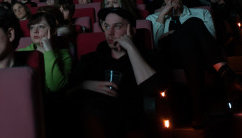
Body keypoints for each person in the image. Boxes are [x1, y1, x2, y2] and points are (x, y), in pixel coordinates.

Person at [146, 0, 242, 127]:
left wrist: (179, 34)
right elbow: (154, 46)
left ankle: (198, 114)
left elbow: (210, 42)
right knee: (192, 26)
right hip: (169, 58)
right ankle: (226, 74)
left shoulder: (202, 14)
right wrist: (163, 15)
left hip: (196, 56)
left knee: (191, 34)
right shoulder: (153, 17)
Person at [65, 7, 169, 138]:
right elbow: (67, 93)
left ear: (131, 30)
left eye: (117, 26)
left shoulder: (148, 56)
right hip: (94, 117)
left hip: (130, 117)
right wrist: (85, 85)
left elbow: (154, 89)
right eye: (107, 26)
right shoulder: (91, 59)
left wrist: (131, 48)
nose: (110, 32)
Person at [17, 12, 73, 93]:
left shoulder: (64, 55)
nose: (35, 31)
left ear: (53, 31)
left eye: (41, 26)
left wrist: (48, 51)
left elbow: (55, 87)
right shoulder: (22, 53)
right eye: (32, 27)